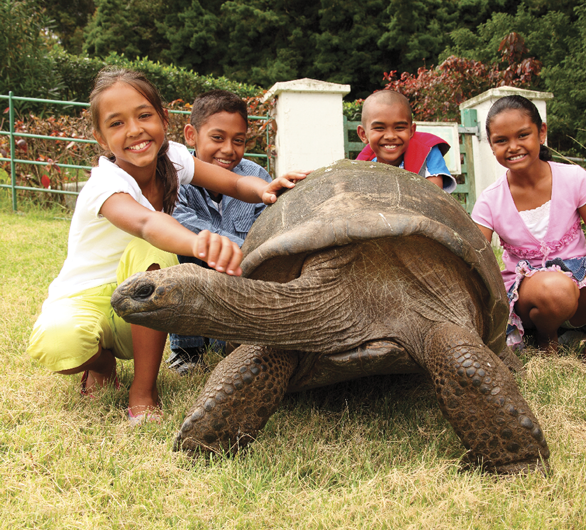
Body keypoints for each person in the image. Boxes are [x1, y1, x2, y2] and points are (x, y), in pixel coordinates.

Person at [27, 68, 307, 423]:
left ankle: (144, 390)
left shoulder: (172, 158)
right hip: (87, 297)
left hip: (141, 307)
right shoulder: (104, 184)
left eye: (144, 115)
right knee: (60, 342)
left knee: (152, 255)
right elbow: (147, 222)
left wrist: (264, 189)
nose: (135, 130)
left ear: (163, 118)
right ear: (100, 138)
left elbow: (234, 183)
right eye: (116, 124)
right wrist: (198, 242)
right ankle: (101, 361)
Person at [471, 94, 586, 364]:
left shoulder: (573, 177)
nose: (513, 146)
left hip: (582, 286)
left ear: (541, 133)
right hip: (533, 297)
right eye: (501, 141)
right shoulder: (489, 201)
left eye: (522, 135)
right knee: (556, 288)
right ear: (491, 146)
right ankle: (546, 336)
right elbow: (478, 261)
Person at [166, 89, 272, 375]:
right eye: (217, 138)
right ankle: (186, 350)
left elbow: (267, 230)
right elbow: (181, 224)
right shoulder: (174, 176)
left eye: (238, 141)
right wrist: (238, 247)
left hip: (241, 279)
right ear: (191, 135)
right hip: (199, 266)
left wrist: (251, 252)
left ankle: (236, 342)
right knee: (183, 260)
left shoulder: (256, 177)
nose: (228, 149)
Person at [356, 90, 457, 192]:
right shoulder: (362, 168)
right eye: (379, 128)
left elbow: (433, 198)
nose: (390, 136)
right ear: (363, 134)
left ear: (411, 131)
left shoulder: (427, 152)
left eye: (399, 127)